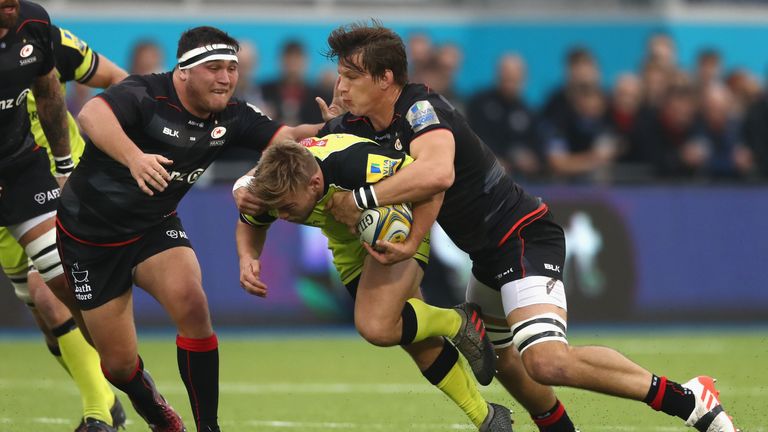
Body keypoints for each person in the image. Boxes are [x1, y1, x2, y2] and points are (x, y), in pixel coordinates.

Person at [302, 21, 737, 432]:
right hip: (486, 255)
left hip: (522, 235)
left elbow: (437, 175)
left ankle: (690, 399)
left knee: (547, 362)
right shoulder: (360, 125)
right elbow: (300, 137)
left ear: (385, 78)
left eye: (350, 77)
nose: (339, 86)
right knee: (505, 361)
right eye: (339, 76)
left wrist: (360, 199)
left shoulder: (422, 109)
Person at [54, 26, 335, 432]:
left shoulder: (233, 115)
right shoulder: (146, 93)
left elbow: (285, 138)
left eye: (231, 68)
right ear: (184, 71)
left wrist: (332, 132)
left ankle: (208, 428)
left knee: (192, 304)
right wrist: (135, 158)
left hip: (154, 227)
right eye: (214, 68)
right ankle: (154, 410)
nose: (225, 78)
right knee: (117, 366)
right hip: (90, 239)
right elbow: (91, 114)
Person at [237, 134, 511, 431]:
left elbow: (431, 182)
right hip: (347, 244)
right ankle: (487, 417)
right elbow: (250, 221)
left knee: (377, 326)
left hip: (399, 223)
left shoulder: (357, 164)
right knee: (413, 337)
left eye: (288, 208)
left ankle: (458, 321)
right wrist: (247, 256)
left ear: (315, 183)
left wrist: (413, 240)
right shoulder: (277, 186)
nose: (282, 216)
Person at [1, 21, 128, 431]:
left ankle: (97, 414)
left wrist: (126, 144)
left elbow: (115, 79)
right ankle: (107, 400)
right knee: (43, 313)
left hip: (59, 175)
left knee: (50, 288)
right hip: (8, 181)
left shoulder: (37, 35)